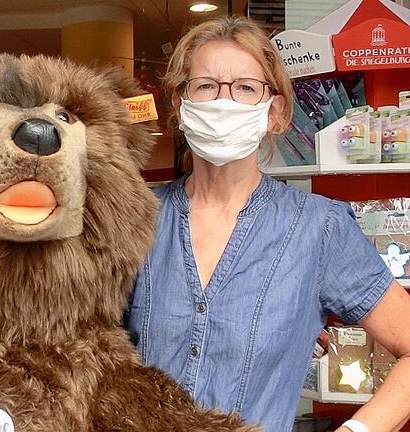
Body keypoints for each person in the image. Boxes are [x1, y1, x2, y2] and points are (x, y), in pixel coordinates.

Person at [125, 15, 410, 432]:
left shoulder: (319, 229)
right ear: (180, 105)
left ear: (275, 111)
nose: (224, 101)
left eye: (245, 87)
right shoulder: (133, 218)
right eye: (205, 86)